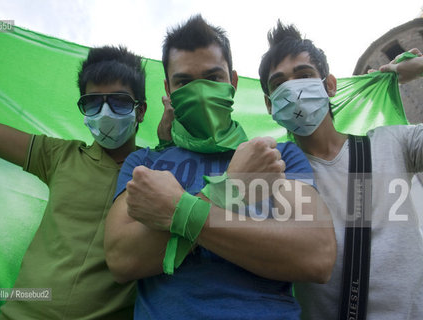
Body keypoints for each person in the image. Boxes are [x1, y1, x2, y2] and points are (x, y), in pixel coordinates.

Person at [104, 15, 336, 319]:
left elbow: (315, 255)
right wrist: (229, 190)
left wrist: (176, 210)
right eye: (184, 82)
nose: (200, 91)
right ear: (168, 89)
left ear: (233, 82)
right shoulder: (144, 163)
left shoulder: (279, 157)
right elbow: (122, 259)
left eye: (213, 78)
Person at [0, 45, 149, 319]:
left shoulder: (161, 171)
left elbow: (223, 199)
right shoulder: (58, 156)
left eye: (120, 101)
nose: (105, 112)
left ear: (141, 111)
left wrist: (174, 141)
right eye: (92, 103)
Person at [258, 21, 423, 319]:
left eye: (304, 75)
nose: (293, 90)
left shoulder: (394, 142)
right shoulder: (272, 177)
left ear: (330, 85)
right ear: (270, 105)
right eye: (279, 83)